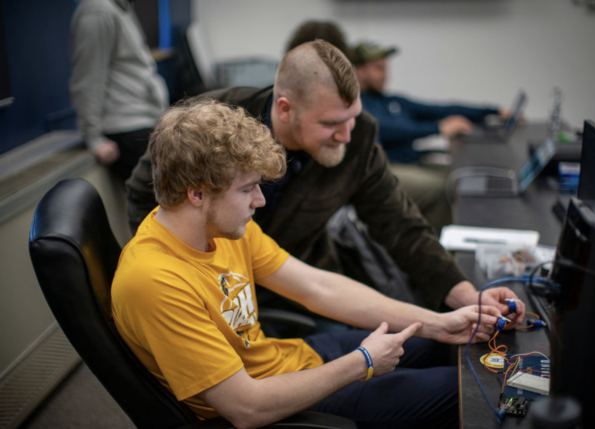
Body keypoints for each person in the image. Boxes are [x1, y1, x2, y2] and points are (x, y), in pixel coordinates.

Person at [112, 97, 505, 428]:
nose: (259, 201)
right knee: (476, 390)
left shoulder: (219, 229)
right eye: (248, 189)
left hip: (287, 361)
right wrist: (363, 361)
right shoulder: (154, 280)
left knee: (449, 346)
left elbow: (319, 287)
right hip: (281, 408)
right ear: (196, 193)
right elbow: (245, 408)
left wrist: (440, 322)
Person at [126, 40, 525, 323]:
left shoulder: (360, 136)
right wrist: (180, 284)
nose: (347, 135)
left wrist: (467, 296)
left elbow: (400, 226)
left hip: (304, 281)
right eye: (332, 123)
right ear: (285, 109)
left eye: (351, 117)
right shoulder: (213, 123)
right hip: (210, 288)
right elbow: (144, 193)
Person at [353, 39, 510, 165]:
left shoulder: (393, 101)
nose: (385, 75)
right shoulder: (357, 106)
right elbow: (387, 129)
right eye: (379, 68)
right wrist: (438, 128)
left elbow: (440, 110)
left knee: (461, 174)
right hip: (392, 169)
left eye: (386, 68)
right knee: (448, 187)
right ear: (359, 71)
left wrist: (493, 111)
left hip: (415, 162)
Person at [69, 0, 169, 181]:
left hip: (144, 120)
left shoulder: (121, 7)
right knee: (164, 202)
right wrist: (93, 138)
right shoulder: (98, 11)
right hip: (126, 129)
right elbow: (88, 78)